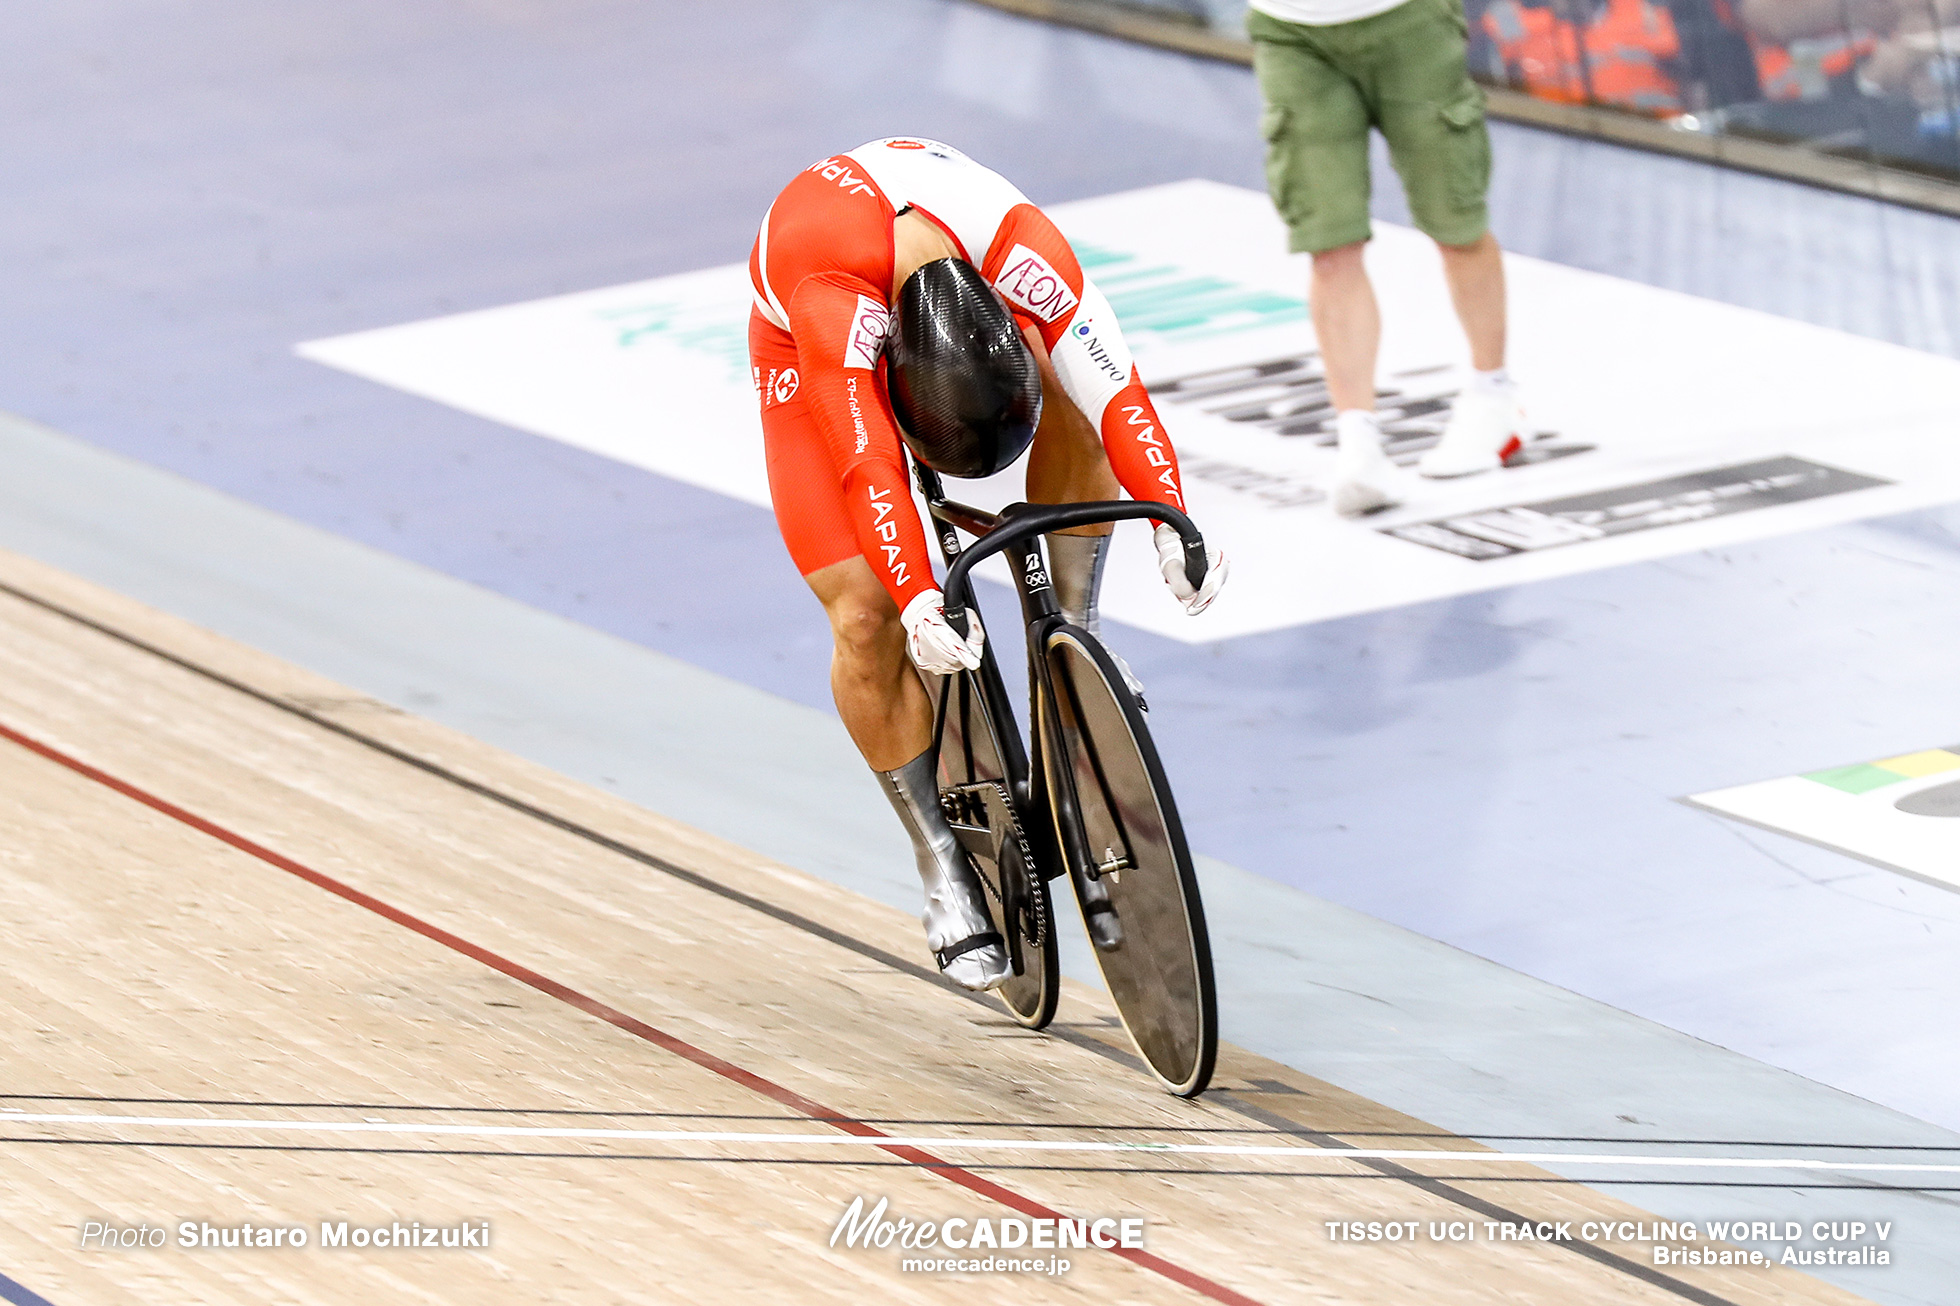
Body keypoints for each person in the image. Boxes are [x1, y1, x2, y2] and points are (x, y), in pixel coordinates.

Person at [746, 137, 1228, 991]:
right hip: (809, 339)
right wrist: (919, 595)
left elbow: (1117, 389)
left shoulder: (1018, 244)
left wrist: (1173, 517)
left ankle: (1072, 641)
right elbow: (868, 468)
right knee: (865, 616)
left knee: (1077, 401)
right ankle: (937, 858)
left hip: (942, 269)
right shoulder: (829, 305)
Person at [1247, 0, 1527, 515]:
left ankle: (1494, 395)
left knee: (1456, 222)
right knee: (1327, 242)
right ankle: (1358, 441)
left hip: (1409, 18)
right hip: (1292, 30)